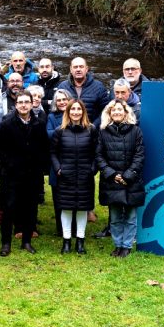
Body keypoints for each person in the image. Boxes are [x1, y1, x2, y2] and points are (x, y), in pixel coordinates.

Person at [0, 90, 49, 256]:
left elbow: (43, 147)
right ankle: (6, 243)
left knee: (30, 208)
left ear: (32, 103)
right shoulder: (6, 123)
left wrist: (39, 166)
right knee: (9, 208)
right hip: (11, 174)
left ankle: (27, 241)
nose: (24, 105)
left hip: (32, 174)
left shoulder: (39, 123)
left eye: (27, 102)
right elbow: (1, 148)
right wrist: (11, 165)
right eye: (21, 102)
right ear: (16, 104)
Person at [96, 99, 145, 258]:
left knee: (131, 217)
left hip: (131, 181)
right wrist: (112, 174)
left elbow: (139, 155)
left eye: (119, 110)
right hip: (111, 181)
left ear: (126, 112)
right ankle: (118, 245)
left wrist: (128, 175)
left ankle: (127, 246)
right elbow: (99, 156)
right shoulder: (103, 132)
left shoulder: (135, 131)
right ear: (109, 113)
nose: (116, 112)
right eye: (113, 110)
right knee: (115, 217)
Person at [51, 99, 98, 255]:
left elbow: (97, 152)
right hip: (66, 176)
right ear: (68, 111)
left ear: (83, 111)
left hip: (85, 176)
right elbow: (53, 152)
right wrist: (58, 168)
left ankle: (80, 241)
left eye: (79, 109)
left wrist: (93, 169)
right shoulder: (60, 131)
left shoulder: (91, 130)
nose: (76, 112)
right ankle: (66, 241)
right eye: (73, 109)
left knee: (82, 208)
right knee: (66, 208)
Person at [46, 89, 73, 236]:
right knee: (58, 199)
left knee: (73, 197)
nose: (62, 102)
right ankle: (60, 228)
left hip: (75, 161)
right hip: (58, 161)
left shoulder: (76, 114)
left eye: (65, 99)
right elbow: (49, 134)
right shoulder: (52, 116)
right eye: (59, 100)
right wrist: (66, 131)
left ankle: (74, 227)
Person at [58, 57, 109, 124]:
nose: (78, 69)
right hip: (67, 128)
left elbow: (106, 110)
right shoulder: (63, 86)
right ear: (71, 69)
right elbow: (56, 110)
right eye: (75, 67)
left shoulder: (99, 87)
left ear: (86, 69)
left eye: (81, 67)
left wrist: (93, 126)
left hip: (91, 129)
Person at [0, 73, 24, 139]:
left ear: (23, 83)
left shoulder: (31, 100)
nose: (15, 84)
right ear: (8, 83)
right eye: (12, 81)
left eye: (18, 81)